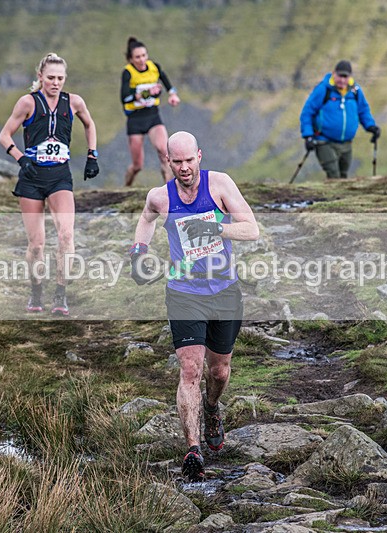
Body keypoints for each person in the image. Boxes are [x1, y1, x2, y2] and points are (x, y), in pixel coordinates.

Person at [130, 131, 259, 482]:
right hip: (184, 292)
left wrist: (216, 227)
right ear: (168, 162)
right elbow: (146, 219)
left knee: (218, 373)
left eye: (189, 160)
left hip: (224, 291)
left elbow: (252, 229)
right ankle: (193, 449)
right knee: (190, 370)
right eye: (177, 162)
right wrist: (138, 253)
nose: (184, 168)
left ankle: (212, 406)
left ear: (199, 155)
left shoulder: (219, 184)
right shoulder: (160, 196)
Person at [0, 52, 99, 315]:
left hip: (59, 177)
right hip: (32, 178)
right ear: (40, 77)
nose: (56, 83)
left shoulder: (74, 102)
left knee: (66, 235)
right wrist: (21, 159)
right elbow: (4, 135)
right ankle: (36, 292)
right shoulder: (27, 103)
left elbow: (90, 125)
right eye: (51, 77)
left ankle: (60, 294)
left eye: (60, 78)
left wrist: (92, 155)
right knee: (37, 243)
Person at [299, 60, 380, 179]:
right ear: (334, 74)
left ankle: (337, 198)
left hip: (346, 143)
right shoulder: (323, 89)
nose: (342, 80)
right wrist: (308, 136)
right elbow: (307, 112)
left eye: (345, 77)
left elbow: (363, 110)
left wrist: (370, 126)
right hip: (324, 141)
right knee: (334, 175)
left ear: (350, 77)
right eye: (339, 76)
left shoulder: (355, 91)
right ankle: (334, 197)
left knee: (343, 177)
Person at [121, 37, 181, 186]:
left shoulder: (154, 67)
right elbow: (125, 98)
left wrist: (173, 94)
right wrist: (147, 93)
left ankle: (169, 191)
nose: (141, 60)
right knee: (138, 165)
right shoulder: (128, 73)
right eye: (137, 57)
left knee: (165, 152)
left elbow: (167, 83)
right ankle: (126, 187)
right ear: (130, 59)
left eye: (144, 55)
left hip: (152, 115)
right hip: (135, 119)